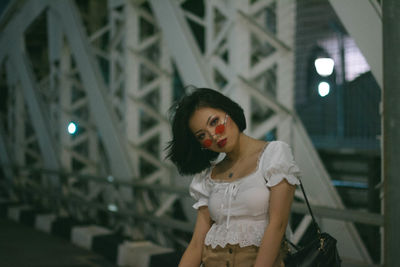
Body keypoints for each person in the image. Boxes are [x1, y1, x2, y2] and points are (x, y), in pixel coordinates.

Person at [166, 88, 300, 267]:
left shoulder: (274, 156)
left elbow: (278, 225)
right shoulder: (208, 177)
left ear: (228, 111)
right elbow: (197, 243)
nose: (213, 135)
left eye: (214, 122)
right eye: (202, 136)